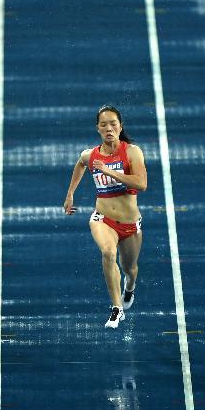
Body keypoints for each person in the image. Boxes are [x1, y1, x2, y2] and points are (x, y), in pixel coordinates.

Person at [64, 105, 147, 328]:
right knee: (108, 252)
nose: (108, 128)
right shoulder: (90, 155)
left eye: (113, 124)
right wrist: (70, 193)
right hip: (103, 218)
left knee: (130, 269)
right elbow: (80, 164)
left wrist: (109, 171)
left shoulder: (132, 152)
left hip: (129, 223)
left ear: (120, 127)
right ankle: (117, 308)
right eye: (104, 125)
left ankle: (130, 287)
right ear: (98, 129)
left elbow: (141, 184)